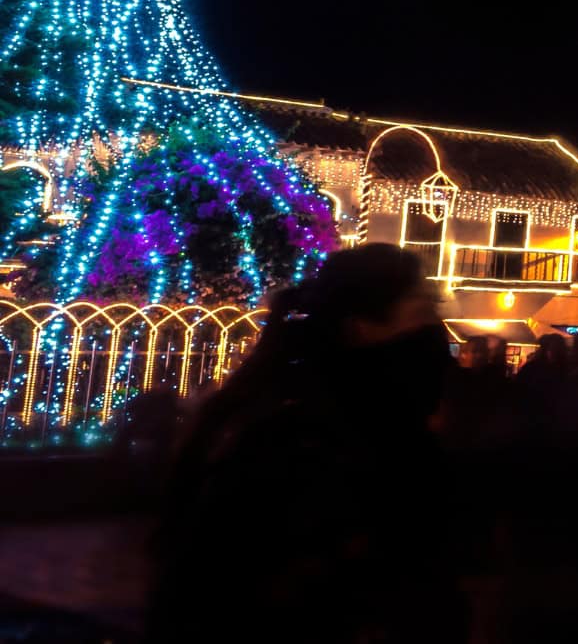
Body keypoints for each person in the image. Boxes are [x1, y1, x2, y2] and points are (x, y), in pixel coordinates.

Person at [149, 245, 459, 643]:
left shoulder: (352, 427)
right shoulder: (304, 445)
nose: (436, 325)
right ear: (362, 327)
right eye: (421, 309)